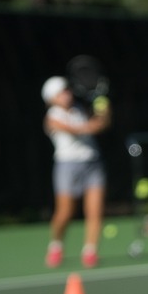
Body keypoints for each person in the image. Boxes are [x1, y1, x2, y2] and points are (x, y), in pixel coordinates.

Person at [42, 75, 111, 268]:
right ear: (51, 98)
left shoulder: (80, 110)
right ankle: (56, 245)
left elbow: (102, 124)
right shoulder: (52, 117)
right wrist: (96, 123)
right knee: (65, 213)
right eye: (61, 92)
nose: (66, 94)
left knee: (95, 211)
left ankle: (90, 251)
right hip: (67, 166)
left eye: (67, 90)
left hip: (93, 164)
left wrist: (105, 109)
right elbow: (79, 130)